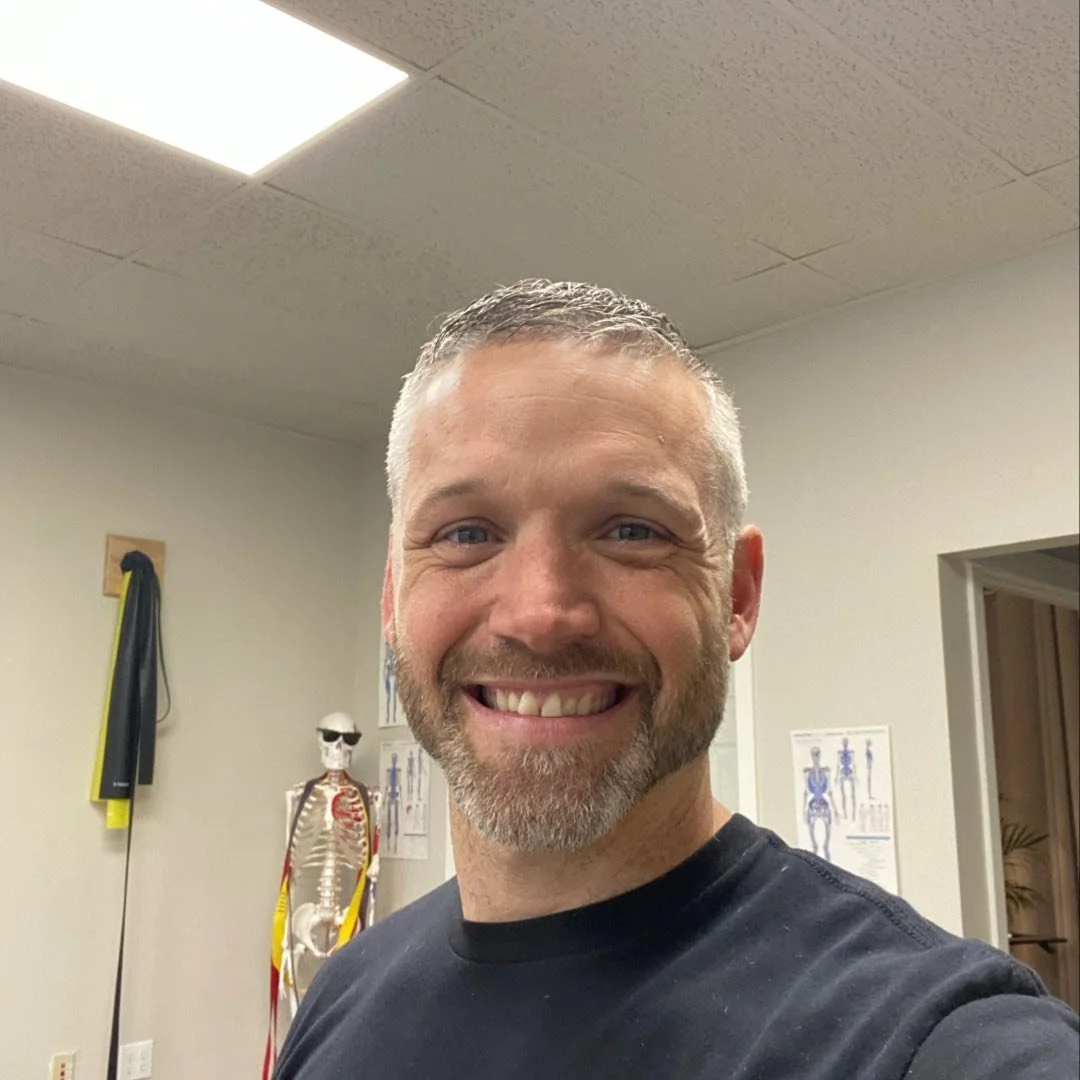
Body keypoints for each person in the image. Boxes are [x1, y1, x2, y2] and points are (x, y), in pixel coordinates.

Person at [274, 280, 1079, 1079]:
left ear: (737, 593)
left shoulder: (924, 1039)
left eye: (632, 531)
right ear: (392, 593)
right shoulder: (343, 996)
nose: (542, 611)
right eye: (466, 533)